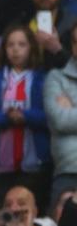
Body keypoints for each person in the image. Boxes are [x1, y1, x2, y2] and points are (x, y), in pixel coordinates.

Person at [0, 24, 52, 209]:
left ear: (31, 48)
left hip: (33, 163)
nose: (15, 50)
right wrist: (7, 117)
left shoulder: (43, 79)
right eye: (10, 45)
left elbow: (50, 116)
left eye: (22, 44)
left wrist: (25, 116)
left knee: (28, 213)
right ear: (4, 49)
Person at [44, 28, 77, 210]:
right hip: (69, 169)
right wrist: (66, 115)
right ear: (72, 46)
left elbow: (67, 119)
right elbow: (59, 120)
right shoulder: (56, 78)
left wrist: (72, 109)